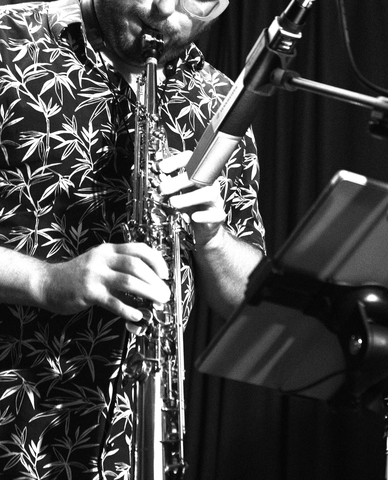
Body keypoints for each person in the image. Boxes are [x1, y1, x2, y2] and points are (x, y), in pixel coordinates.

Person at [0, 0, 265, 478]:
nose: (163, 8)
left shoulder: (220, 105)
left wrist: (213, 240)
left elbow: (247, 302)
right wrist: (44, 281)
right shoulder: (8, 42)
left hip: (130, 452)